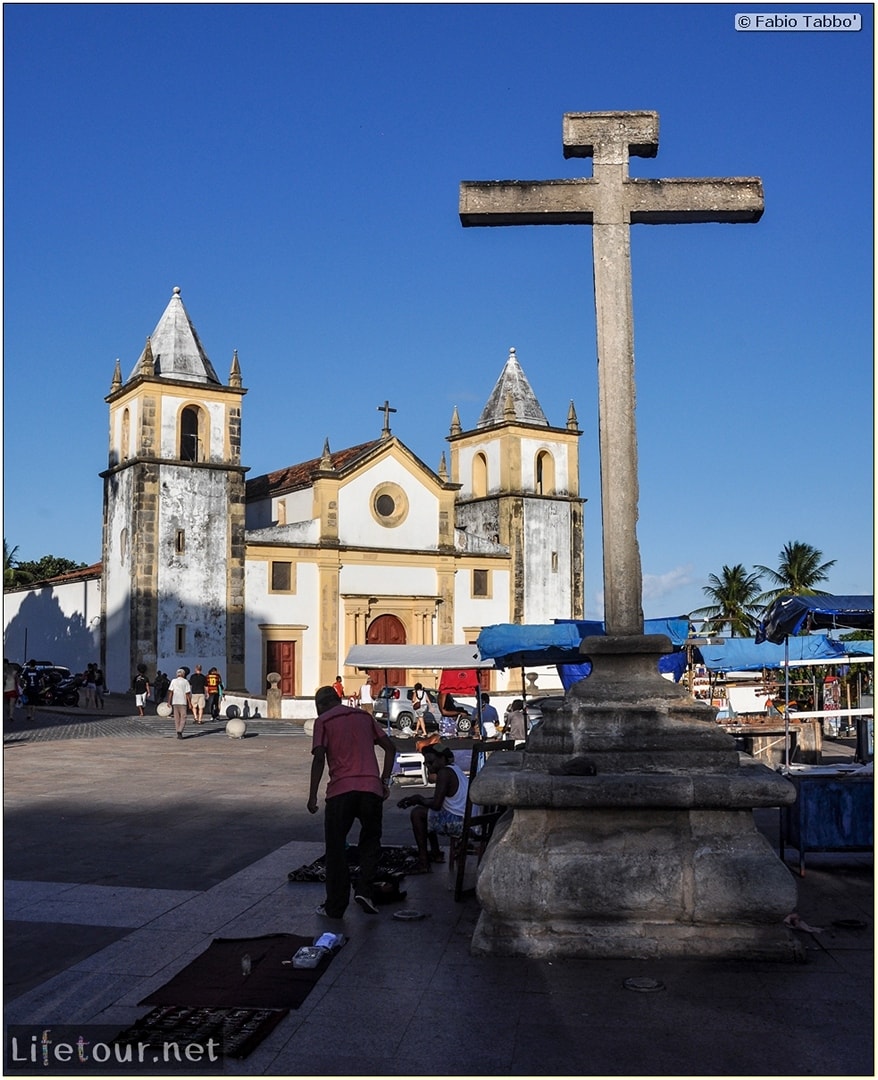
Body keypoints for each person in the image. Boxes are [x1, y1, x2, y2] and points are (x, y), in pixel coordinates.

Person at [307, 685, 396, 918]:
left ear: (321, 705)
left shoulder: (323, 720)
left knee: (336, 848)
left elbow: (318, 758)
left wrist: (312, 795)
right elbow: (390, 747)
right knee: (370, 842)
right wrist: (384, 781)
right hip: (370, 789)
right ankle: (364, 890)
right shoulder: (364, 717)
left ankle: (335, 907)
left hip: (340, 792)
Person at [397, 742, 469, 872]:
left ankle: (424, 862)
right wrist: (416, 800)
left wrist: (418, 799)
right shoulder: (455, 769)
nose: (428, 766)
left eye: (430, 762)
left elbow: (436, 805)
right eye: (426, 763)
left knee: (418, 814)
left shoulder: (444, 773)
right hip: (466, 820)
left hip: (460, 823)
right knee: (426, 812)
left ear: (442, 759)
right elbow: (441, 801)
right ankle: (435, 854)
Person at [166, 667, 192, 739]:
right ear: (183, 674)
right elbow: (187, 693)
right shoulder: (186, 681)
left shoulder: (173, 681)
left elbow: (171, 691)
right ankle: (180, 730)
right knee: (183, 717)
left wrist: (169, 701)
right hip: (183, 702)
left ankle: (178, 731)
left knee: (177, 718)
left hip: (175, 701)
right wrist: (189, 703)